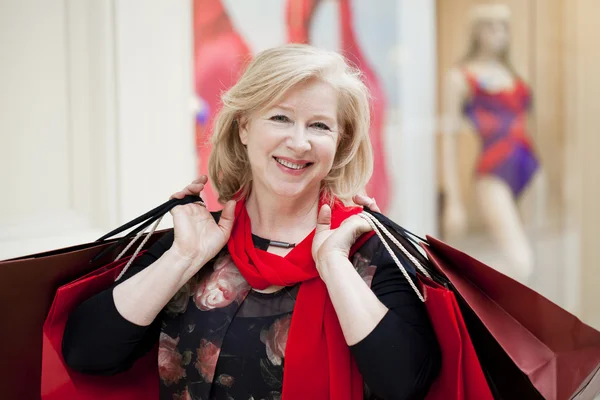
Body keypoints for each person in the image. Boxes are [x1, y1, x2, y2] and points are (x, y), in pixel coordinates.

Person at [62, 44, 440, 400]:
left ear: (340, 142)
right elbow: (87, 354)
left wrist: (335, 266)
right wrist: (182, 258)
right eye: (280, 118)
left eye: (320, 126)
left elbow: (405, 384)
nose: (299, 142)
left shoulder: (370, 251)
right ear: (244, 127)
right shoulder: (196, 242)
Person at [441, 3, 538, 282]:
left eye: (504, 27)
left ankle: (499, 317)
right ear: (477, 31)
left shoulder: (514, 73)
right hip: (493, 171)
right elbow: (449, 139)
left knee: (528, 257)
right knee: (520, 262)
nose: (499, 34)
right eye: (491, 26)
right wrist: (453, 200)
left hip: (525, 167)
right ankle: (466, 290)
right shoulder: (460, 77)